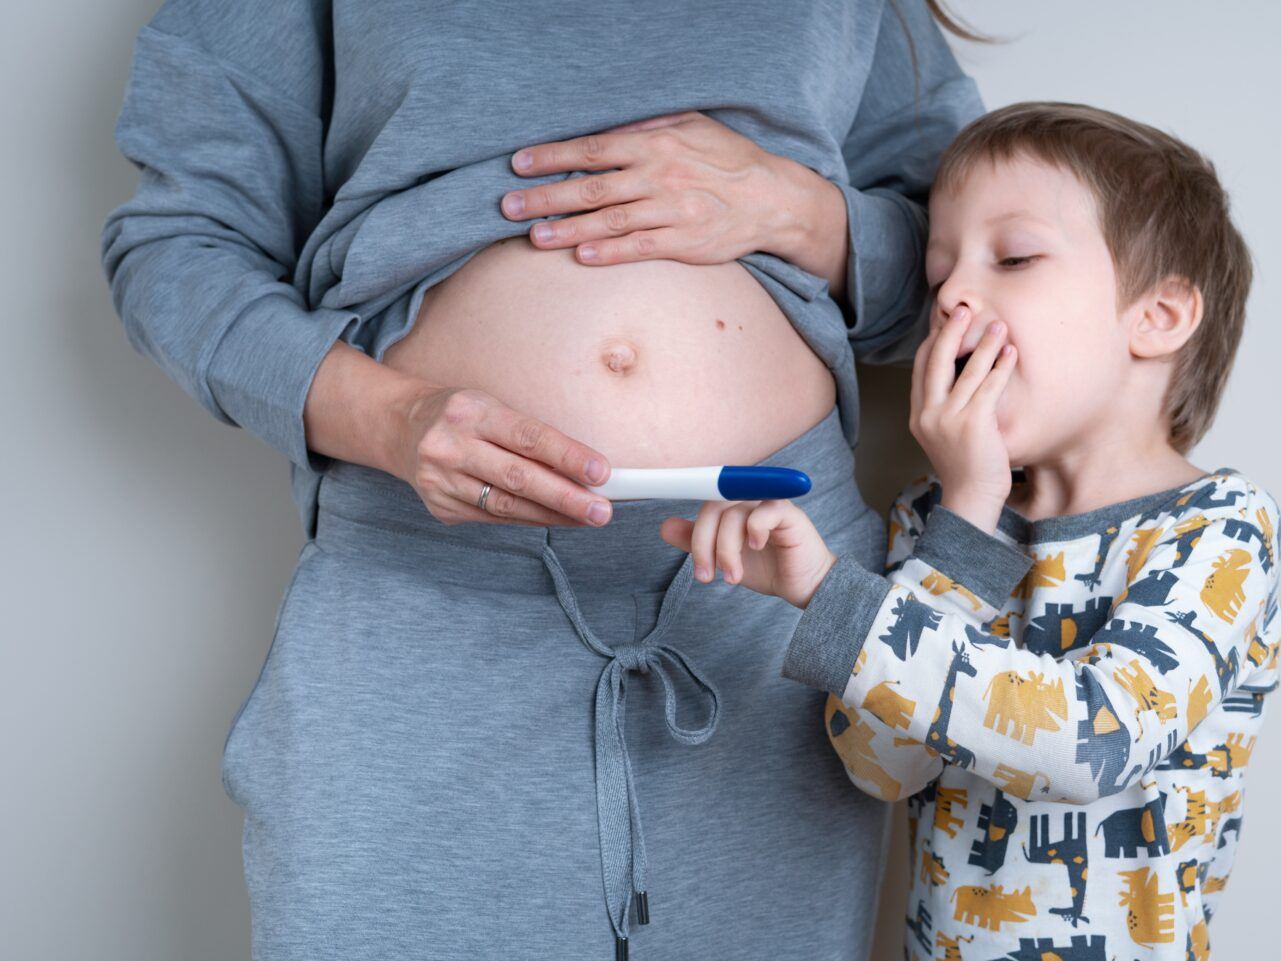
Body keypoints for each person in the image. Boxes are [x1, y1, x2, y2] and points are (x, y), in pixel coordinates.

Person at [98, 1, 988, 958]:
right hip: (428, 603)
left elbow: (972, 276)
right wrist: (387, 418)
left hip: (768, 613)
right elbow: (177, 251)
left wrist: (797, 209)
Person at [666, 102, 1281, 960]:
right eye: (938, 272)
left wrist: (842, 601)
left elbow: (1094, 748)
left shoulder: (1218, 529)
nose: (953, 295)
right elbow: (880, 765)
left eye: (1016, 258)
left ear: (1161, 316)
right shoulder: (941, 513)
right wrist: (963, 515)